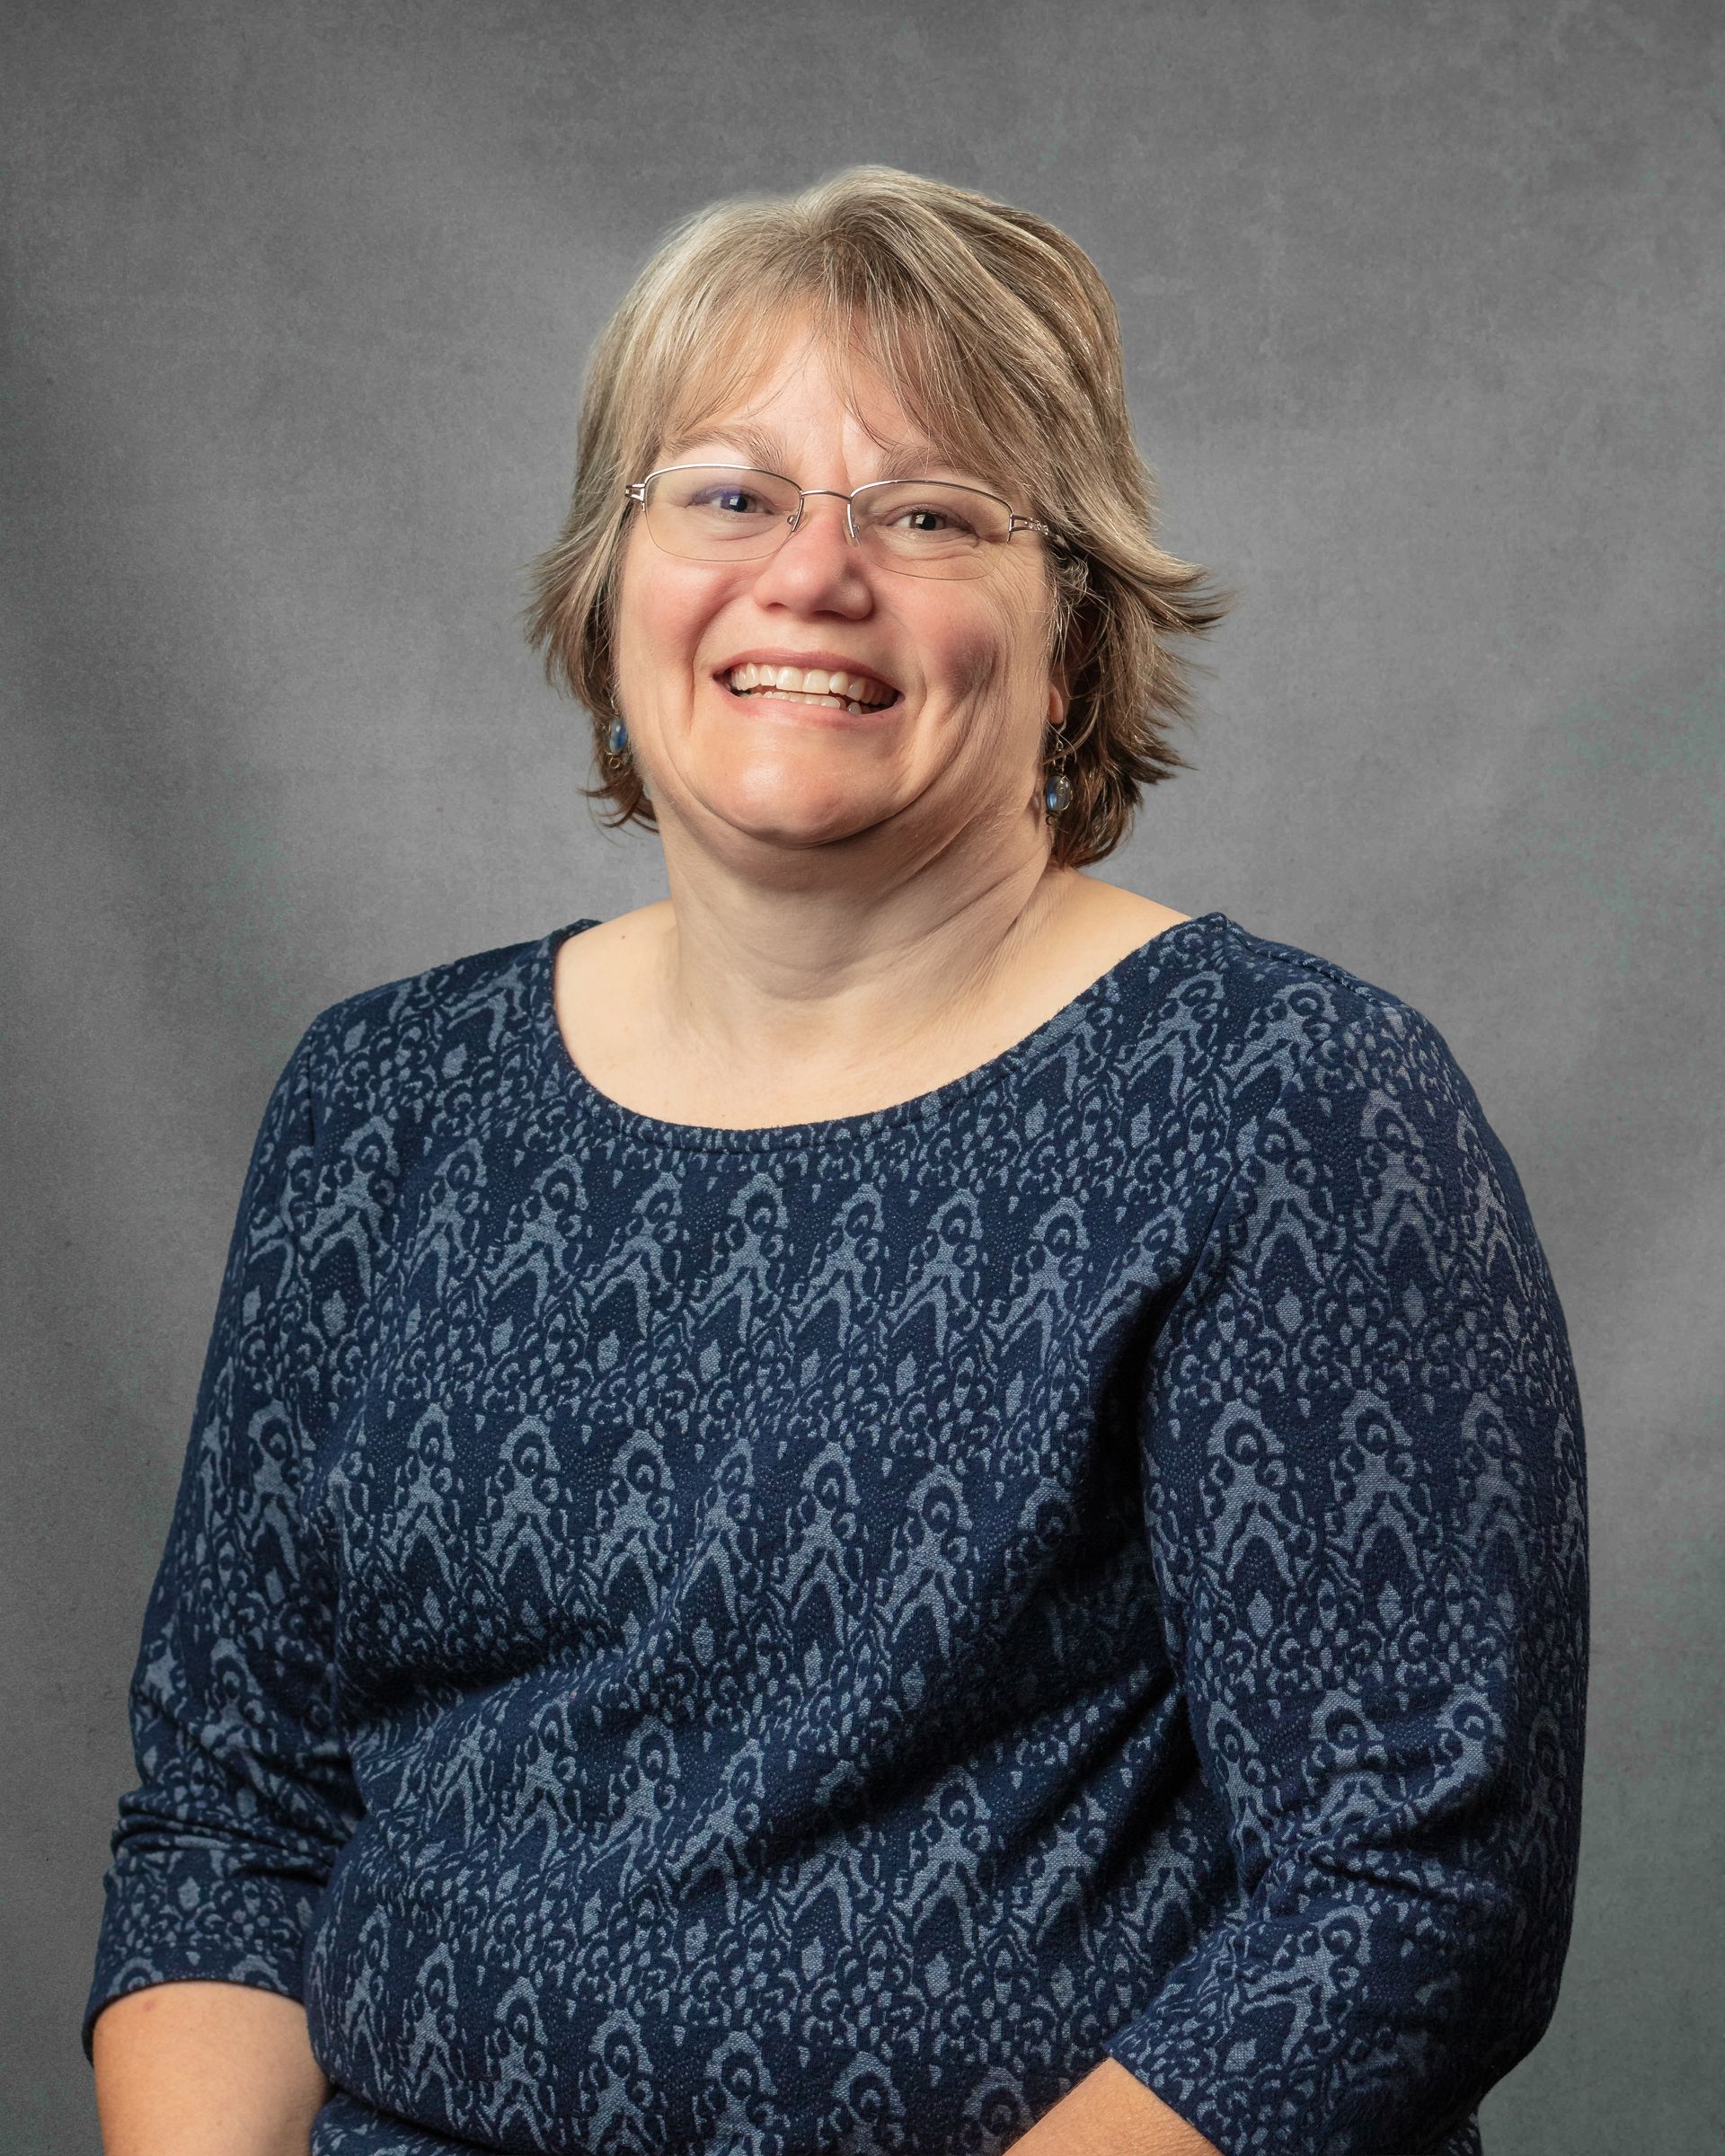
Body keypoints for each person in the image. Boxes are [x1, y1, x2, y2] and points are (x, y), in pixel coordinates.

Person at [85, 167, 1588, 2156]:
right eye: (728, 493)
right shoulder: (386, 1100)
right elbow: (235, 1821)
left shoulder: (1283, 1102)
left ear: (1074, 633)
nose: (812, 574)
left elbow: (1406, 1905)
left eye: (932, 513)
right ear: (611, 589)